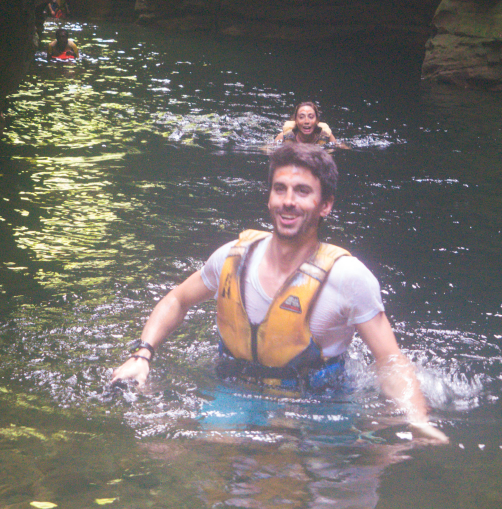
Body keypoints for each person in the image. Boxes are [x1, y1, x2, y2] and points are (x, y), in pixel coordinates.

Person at [109, 142, 448, 443]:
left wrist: (417, 420)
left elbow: (389, 360)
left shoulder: (348, 278)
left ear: (325, 205)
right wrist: (142, 356)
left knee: (331, 470)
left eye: (302, 191)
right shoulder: (232, 258)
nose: (288, 201)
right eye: (280, 189)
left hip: (319, 407)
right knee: (174, 449)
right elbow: (177, 299)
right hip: (236, 392)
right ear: (269, 197)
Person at [268, 100, 339, 151]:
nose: (306, 121)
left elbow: (340, 148)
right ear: (296, 120)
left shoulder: (326, 136)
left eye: (311, 117)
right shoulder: (284, 136)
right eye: (301, 117)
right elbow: (267, 150)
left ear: (317, 120)